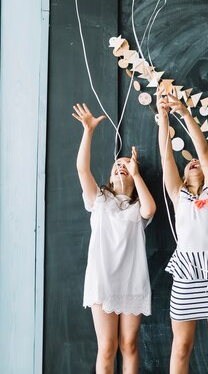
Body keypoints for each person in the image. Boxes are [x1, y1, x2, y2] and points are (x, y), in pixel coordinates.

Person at [72, 103, 156, 374]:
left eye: (125, 166)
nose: (120, 167)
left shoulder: (138, 206)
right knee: (107, 347)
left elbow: (150, 209)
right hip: (103, 280)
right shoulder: (99, 200)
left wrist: (135, 174)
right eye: (116, 166)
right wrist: (88, 131)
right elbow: (82, 170)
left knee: (129, 345)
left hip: (132, 280)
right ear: (109, 176)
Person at [156, 90, 208, 374]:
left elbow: (203, 150)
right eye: (188, 163)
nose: (194, 162)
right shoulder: (178, 195)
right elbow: (166, 157)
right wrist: (163, 117)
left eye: (198, 164)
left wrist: (185, 113)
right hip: (186, 279)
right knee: (180, 349)